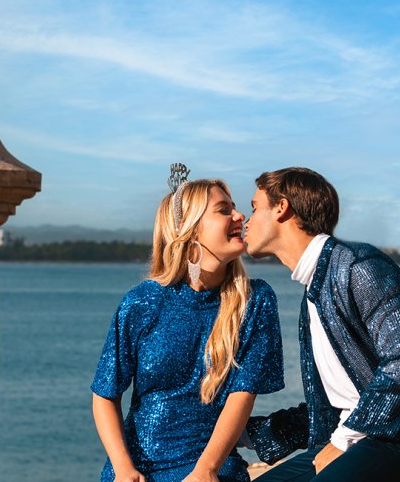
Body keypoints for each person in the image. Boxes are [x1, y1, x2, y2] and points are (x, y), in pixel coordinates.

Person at [242, 167, 400, 482]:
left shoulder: (359, 266)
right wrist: (239, 434)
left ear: (282, 208)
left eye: (255, 208)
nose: (247, 220)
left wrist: (342, 441)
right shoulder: (312, 295)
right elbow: (333, 406)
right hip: (356, 441)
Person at [92, 168, 285, 482]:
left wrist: (205, 471)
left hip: (211, 469)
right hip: (135, 471)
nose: (240, 216)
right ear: (191, 229)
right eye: (224, 210)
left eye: (235, 207)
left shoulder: (255, 300)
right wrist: (123, 468)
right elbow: (105, 394)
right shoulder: (142, 302)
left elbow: (243, 395)